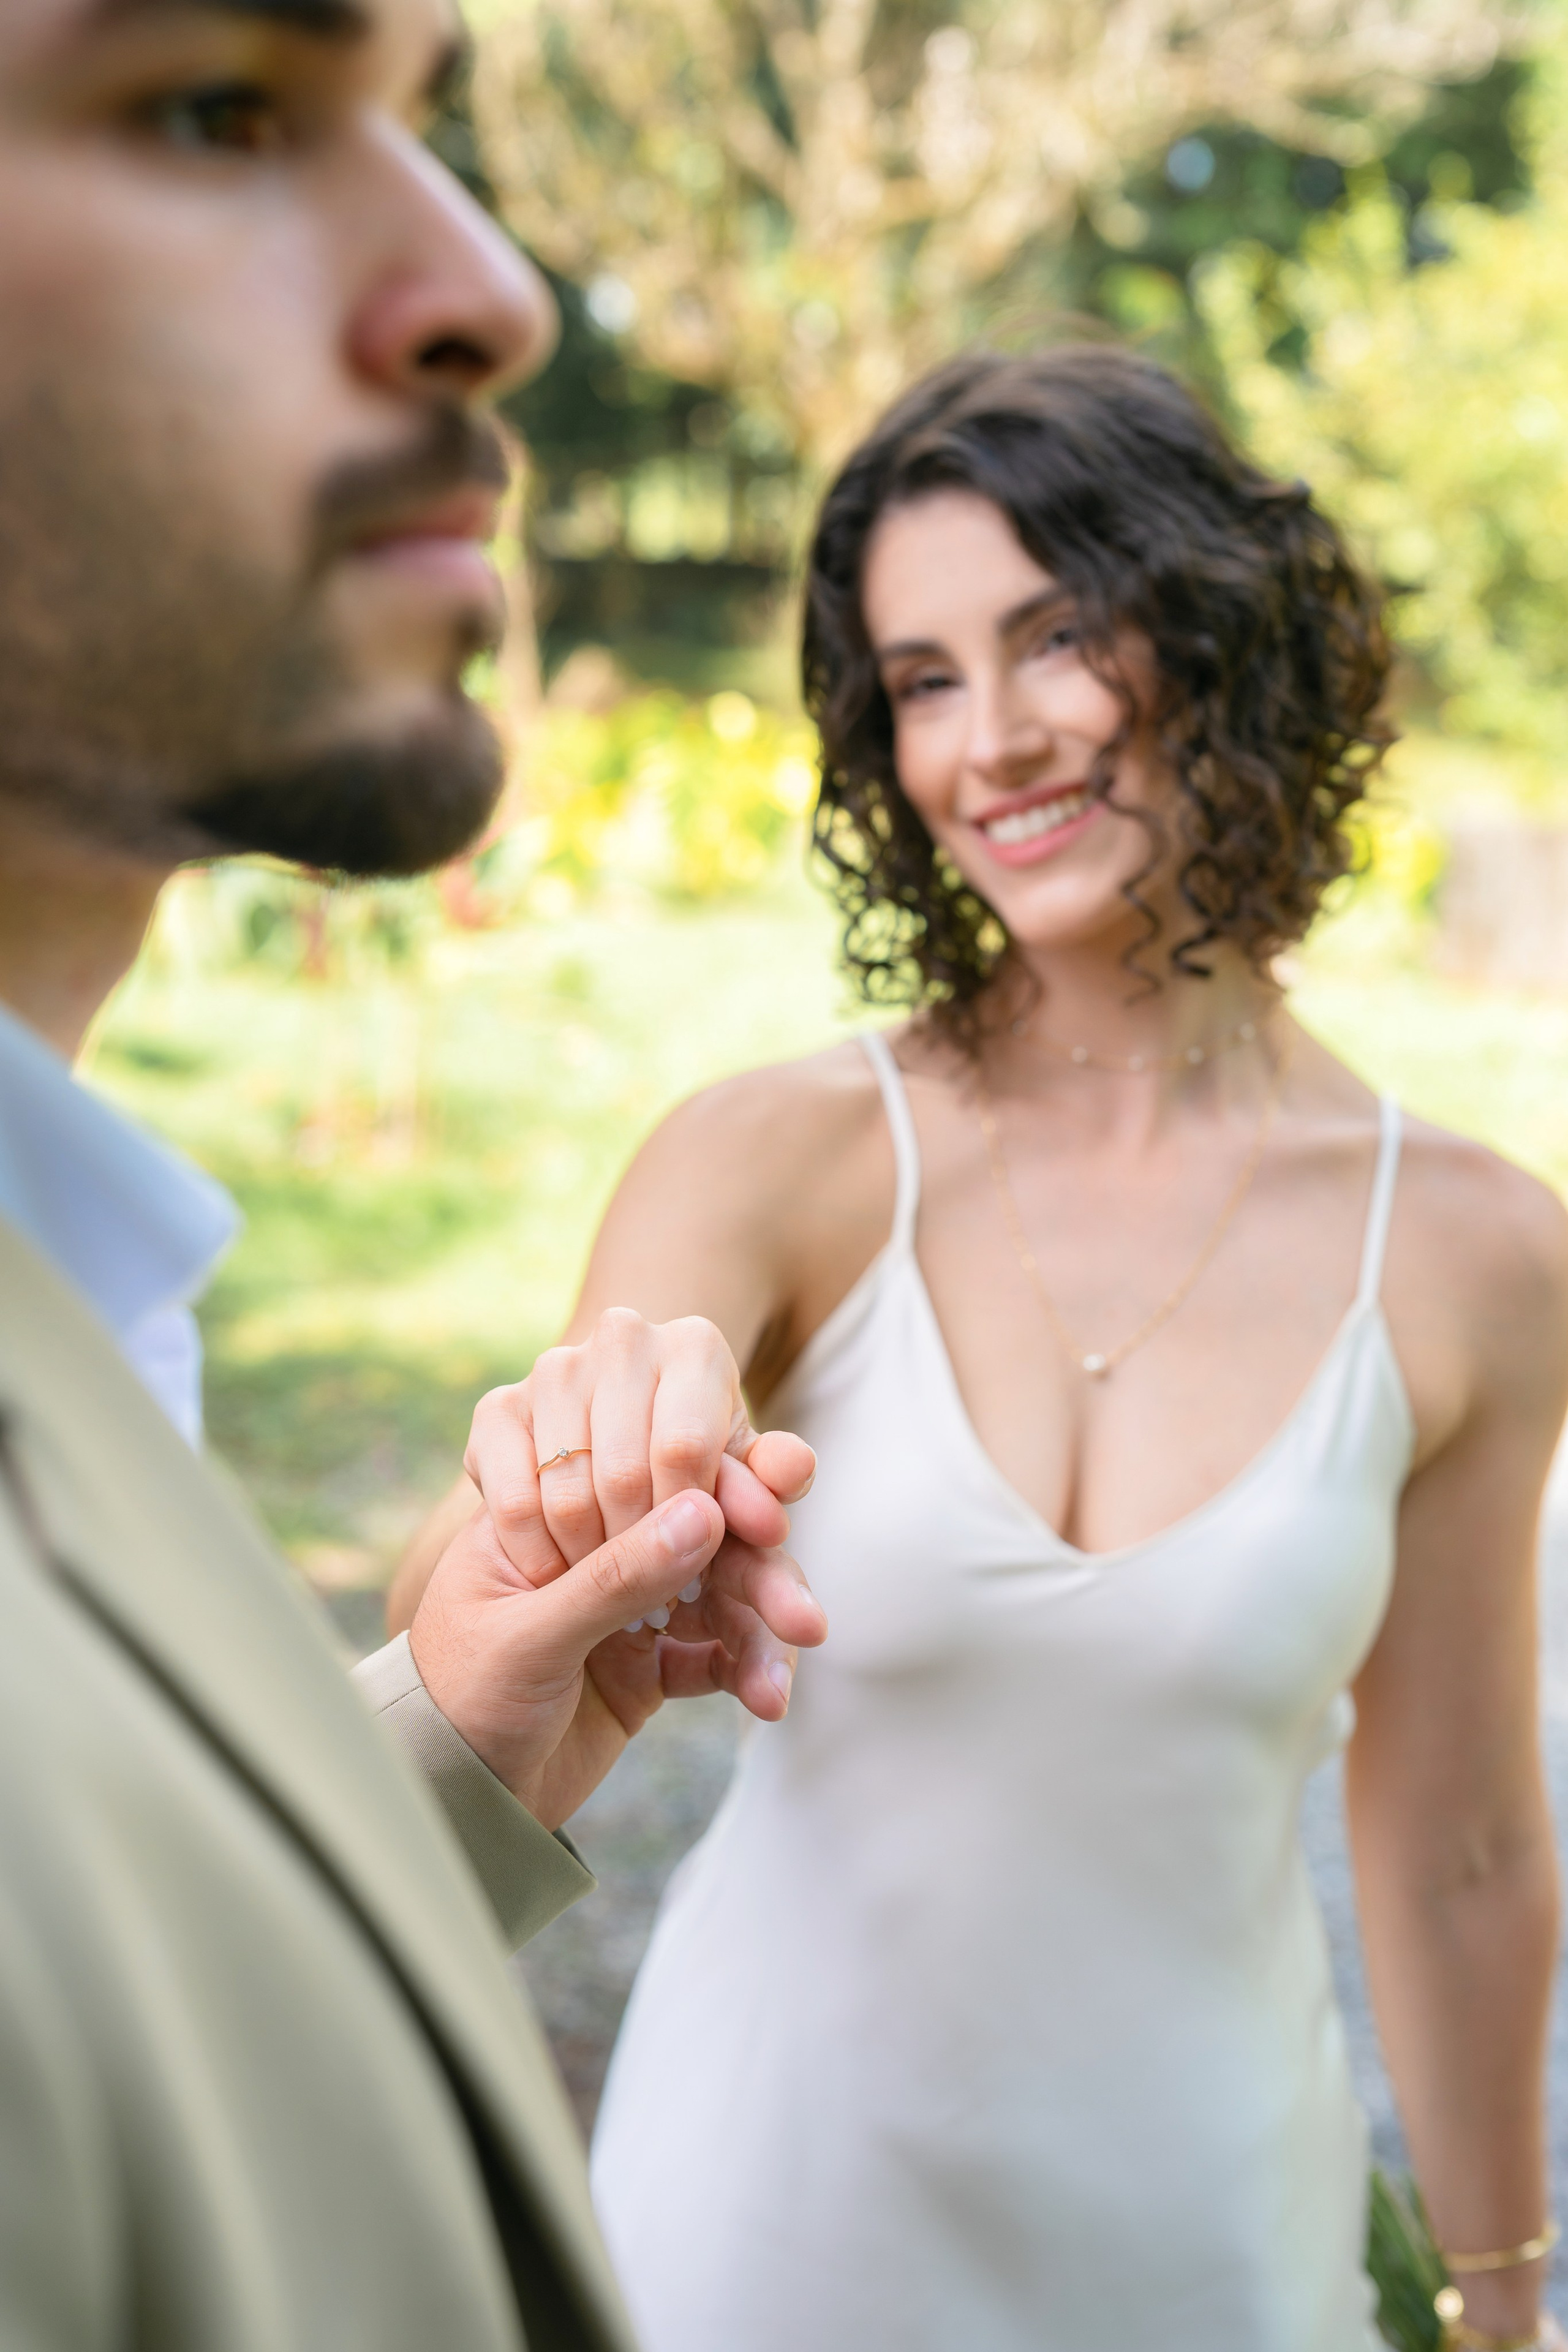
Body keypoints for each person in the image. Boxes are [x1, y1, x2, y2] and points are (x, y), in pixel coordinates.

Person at [398, 346, 1568, 2351]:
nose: (992, 741)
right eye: (923, 679)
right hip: (756, 2230)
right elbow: (460, 1612)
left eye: (1057, 640)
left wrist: (1499, 2296)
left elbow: (1457, 1840)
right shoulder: (776, 1159)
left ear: (1226, 641)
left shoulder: (1475, 1252)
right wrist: (564, 1460)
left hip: (1213, 2248)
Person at [0, 2, 827, 2346]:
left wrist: (440, 1750)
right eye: (215, 108)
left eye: (422, 121)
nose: (495, 287)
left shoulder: (80, 1297)